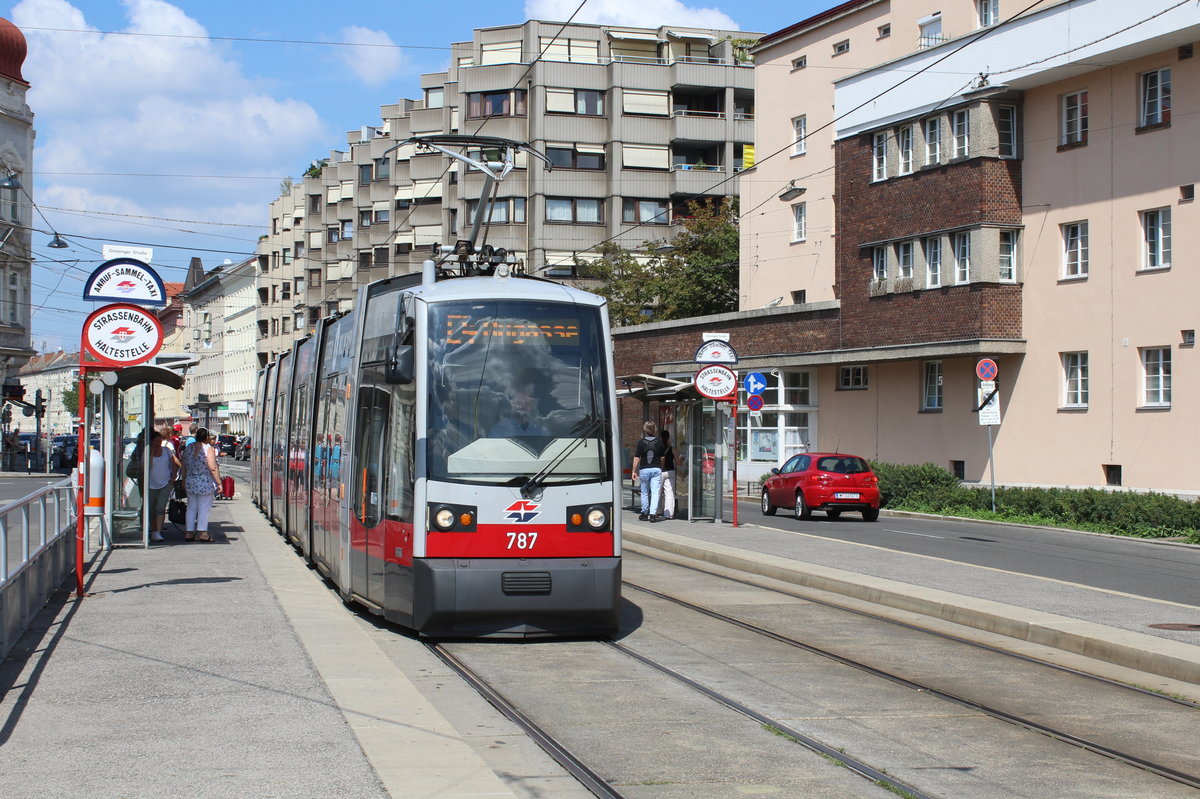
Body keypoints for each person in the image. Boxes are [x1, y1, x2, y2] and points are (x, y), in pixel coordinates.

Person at [181, 427, 221, 542]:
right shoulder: (208, 449)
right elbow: (213, 468)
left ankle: (189, 532)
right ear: (207, 437)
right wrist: (219, 483)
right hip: (205, 482)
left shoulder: (189, 448)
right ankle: (202, 533)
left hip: (190, 481)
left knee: (191, 507)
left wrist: (184, 479)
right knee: (204, 508)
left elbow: (184, 465)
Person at [145, 430, 180, 543]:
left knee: (160, 508)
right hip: (150, 484)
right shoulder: (147, 452)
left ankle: (157, 532)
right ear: (151, 441)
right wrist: (150, 453)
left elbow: (175, 463)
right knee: (151, 509)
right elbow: (144, 468)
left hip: (165, 483)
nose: (158, 443)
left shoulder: (167, 451)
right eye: (156, 441)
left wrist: (174, 475)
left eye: (160, 441)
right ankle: (153, 529)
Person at [630, 420, 664, 522]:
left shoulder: (640, 442)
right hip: (656, 469)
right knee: (655, 492)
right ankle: (653, 514)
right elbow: (662, 457)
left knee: (644, 492)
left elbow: (636, 458)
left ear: (645, 429)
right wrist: (660, 468)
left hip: (644, 469)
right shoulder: (659, 441)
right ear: (655, 429)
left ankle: (644, 513)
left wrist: (633, 471)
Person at [657, 429, 676, 521]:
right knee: (669, 493)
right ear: (668, 438)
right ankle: (668, 514)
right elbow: (679, 462)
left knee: (657, 492)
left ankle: (656, 511)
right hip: (671, 471)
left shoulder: (658, 448)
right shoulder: (671, 448)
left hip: (660, 471)